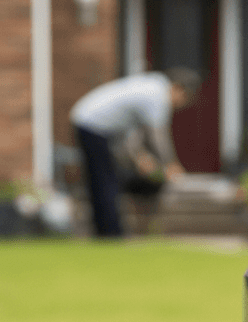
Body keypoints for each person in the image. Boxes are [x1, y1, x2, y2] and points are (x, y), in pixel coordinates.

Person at [70, 67, 201, 237]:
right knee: (104, 182)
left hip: (92, 124)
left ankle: (108, 230)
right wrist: (170, 164)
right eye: (184, 98)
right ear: (178, 88)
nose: (180, 105)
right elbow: (158, 136)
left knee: (106, 181)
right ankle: (110, 234)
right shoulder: (157, 95)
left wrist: (139, 157)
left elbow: (130, 132)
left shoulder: (151, 87)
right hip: (92, 126)